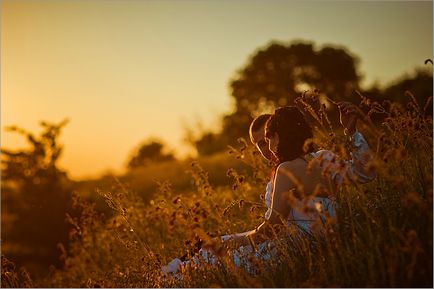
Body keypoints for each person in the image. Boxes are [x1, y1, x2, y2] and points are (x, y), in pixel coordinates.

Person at [162, 101, 376, 274]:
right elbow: (366, 173)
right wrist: (352, 133)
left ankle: (166, 277)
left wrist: (236, 241)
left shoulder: (286, 170)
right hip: (325, 244)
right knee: (213, 244)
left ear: (278, 136)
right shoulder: (324, 159)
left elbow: (271, 229)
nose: (268, 148)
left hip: (291, 250)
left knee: (209, 254)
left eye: (267, 139)